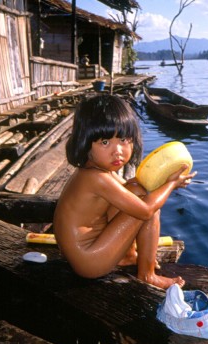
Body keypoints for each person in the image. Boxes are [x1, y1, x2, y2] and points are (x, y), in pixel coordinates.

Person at [53, 94, 197, 289]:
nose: (118, 151)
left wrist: (162, 179)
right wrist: (170, 185)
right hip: (89, 262)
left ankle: (127, 256)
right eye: (105, 142)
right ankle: (147, 275)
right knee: (149, 205)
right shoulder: (96, 178)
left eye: (124, 140)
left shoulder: (95, 170)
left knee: (136, 189)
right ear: (85, 142)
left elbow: (134, 188)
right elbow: (145, 209)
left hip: (86, 254)